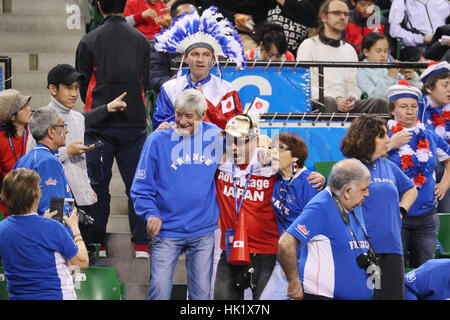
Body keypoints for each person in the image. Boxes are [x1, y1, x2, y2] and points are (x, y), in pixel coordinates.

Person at [213, 115, 326, 300]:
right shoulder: (219, 164)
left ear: (254, 141)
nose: (234, 147)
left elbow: (296, 173)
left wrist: (320, 179)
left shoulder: (270, 166)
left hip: (266, 252)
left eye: (240, 141)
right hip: (230, 249)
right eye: (230, 140)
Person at [75, 0, 150, 259]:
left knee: (97, 186)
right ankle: (141, 245)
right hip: (135, 124)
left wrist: (99, 106)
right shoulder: (141, 40)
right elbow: (147, 80)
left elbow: (81, 85)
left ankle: (98, 245)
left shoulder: (89, 40)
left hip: (99, 125)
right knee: (137, 187)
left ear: (98, 5)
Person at [130, 89, 223, 300]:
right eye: (178, 114)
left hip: (202, 230)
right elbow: (141, 186)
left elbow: (244, 147)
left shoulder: (216, 137)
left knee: (201, 295)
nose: (181, 121)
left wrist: (262, 145)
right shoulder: (158, 140)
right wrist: (150, 213)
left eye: (188, 116)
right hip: (167, 229)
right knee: (159, 291)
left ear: (201, 116)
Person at [41, 64, 127, 245]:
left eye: (76, 88)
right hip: (54, 194)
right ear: (52, 89)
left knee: (83, 252)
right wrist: (67, 152)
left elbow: (80, 163)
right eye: (68, 88)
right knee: (60, 250)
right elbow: (33, 160)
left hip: (81, 196)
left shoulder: (79, 119)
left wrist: (86, 187)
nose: (73, 93)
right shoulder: (41, 117)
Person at [340, 114, 418, 300]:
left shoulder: (388, 165)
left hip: (393, 247)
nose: (388, 140)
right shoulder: (349, 168)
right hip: (363, 249)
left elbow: (411, 190)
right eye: (382, 135)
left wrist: (401, 211)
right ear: (367, 138)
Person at [278, 158, 375, 300]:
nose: (367, 194)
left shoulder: (353, 203)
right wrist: (294, 283)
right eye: (364, 189)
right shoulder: (320, 206)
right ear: (347, 191)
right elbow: (285, 243)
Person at [386, 81, 450, 268]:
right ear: (392, 110)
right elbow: (364, 160)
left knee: (426, 271)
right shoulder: (383, 134)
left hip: (427, 216)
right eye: (403, 107)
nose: (410, 111)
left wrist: (445, 183)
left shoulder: (428, 135)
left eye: (414, 106)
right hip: (396, 215)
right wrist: (391, 144)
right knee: (394, 271)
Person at [152, 6, 245, 131]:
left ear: (212, 60)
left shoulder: (227, 90)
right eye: (195, 54)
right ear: (185, 59)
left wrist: (204, 105)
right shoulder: (170, 88)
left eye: (206, 55)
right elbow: (159, 124)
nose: (200, 60)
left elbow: (235, 128)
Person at [0, 168, 88, 300]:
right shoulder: (53, 228)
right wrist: (75, 228)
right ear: (35, 195)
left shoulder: (2, 229)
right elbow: (82, 262)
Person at [296, 0, 388, 113]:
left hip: (346, 104)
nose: (342, 17)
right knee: (329, 102)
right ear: (324, 17)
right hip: (319, 102)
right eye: (336, 13)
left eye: (346, 14)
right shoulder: (308, 45)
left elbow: (354, 84)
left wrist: (352, 98)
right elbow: (304, 84)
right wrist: (336, 100)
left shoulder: (349, 50)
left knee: (378, 103)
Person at [258, 132, 319, 299]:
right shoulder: (275, 177)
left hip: (308, 263)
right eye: (272, 148)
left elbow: (318, 226)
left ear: (295, 157)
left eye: (280, 149)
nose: (273, 153)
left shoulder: (309, 183)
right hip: (285, 260)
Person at [417, 61, 450, 213]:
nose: (449, 90)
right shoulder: (418, 107)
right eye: (445, 85)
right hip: (428, 165)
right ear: (429, 88)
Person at [148, 0, 198, 92]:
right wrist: (183, 88)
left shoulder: (207, 43)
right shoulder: (159, 45)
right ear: (173, 21)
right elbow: (155, 78)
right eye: (183, 16)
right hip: (175, 97)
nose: (189, 19)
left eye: (193, 15)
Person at [0, 89, 33, 218]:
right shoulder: (1, 140)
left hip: (34, 199)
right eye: (23, 107)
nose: (29, 109)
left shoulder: (35, 134)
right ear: (12, 116)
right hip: (8, 203)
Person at [357, 32, 420, 99]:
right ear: (366, 52)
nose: (383, 55)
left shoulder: (392, 66)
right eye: (378, 51)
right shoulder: (362, 73)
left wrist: (411, 78)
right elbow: (376, 99)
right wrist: (390, 77)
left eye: (386, 51)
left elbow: (418, 90)